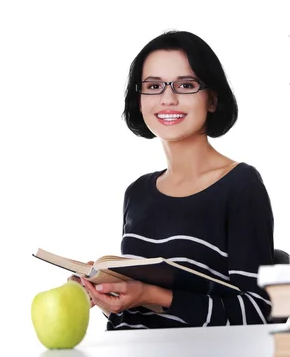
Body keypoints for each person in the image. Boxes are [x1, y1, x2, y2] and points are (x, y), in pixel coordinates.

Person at [73, 30, 275, 330]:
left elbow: (260, 312)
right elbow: (139, 318)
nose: (168, 99)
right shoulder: (137, 193)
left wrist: (153, 294)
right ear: (139, 100)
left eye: (185, 85)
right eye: (154, 86)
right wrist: (105, 293)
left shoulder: (241, 185)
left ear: (212, 99)